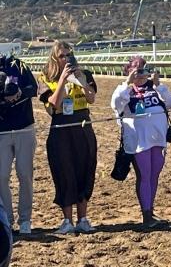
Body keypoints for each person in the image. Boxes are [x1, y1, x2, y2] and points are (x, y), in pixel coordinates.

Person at [111, 56, 171, 226]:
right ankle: (146, 215)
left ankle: (150, 209)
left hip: (158, 139)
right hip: (138, 141)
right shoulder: (126, 90)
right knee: (144, 175)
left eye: (143, 68)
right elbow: (116, 104)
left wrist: (159, 85)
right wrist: (127, 83)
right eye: (136, 69)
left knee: (154, 175)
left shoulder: (155, 88)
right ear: (128, 71)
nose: (140, 73)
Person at [38, 41, 98, 235]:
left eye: (68, 55)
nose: (66, 59)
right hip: (61, 127)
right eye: (62, 56)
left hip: (82, 125)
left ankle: (83, 219)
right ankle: (67, 220)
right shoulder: (46, 77)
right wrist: (63, 80)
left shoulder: (84, 74)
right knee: (64, 172)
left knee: (85, 170)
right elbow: (54, 105)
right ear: (55, 58)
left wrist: (81, 80)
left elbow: (91, 99)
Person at [0, 55, 37, 235]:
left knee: (25, 174)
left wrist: (19, 93)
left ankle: (25, 219)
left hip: (24, 128)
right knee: (1, 176)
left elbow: (34, 88)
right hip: (1, 131)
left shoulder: (18, 65)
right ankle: (7, 218)